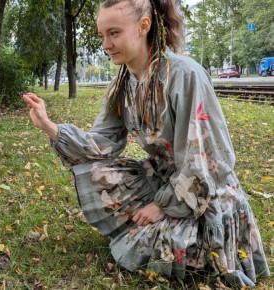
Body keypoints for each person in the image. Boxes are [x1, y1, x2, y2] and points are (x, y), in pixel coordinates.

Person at [22, 0, 270, 287]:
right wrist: (50, 127)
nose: (106, 44)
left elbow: (208, 159)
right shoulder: (124, 81)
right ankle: (159, 219)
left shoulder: (184, 75)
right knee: (98, 173)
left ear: (143, 26)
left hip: (203, 191)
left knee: (147, 247)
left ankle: (185, 230)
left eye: (114, 33)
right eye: (103, 35)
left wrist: (162, 206)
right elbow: (103, 142)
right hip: (162, 177)